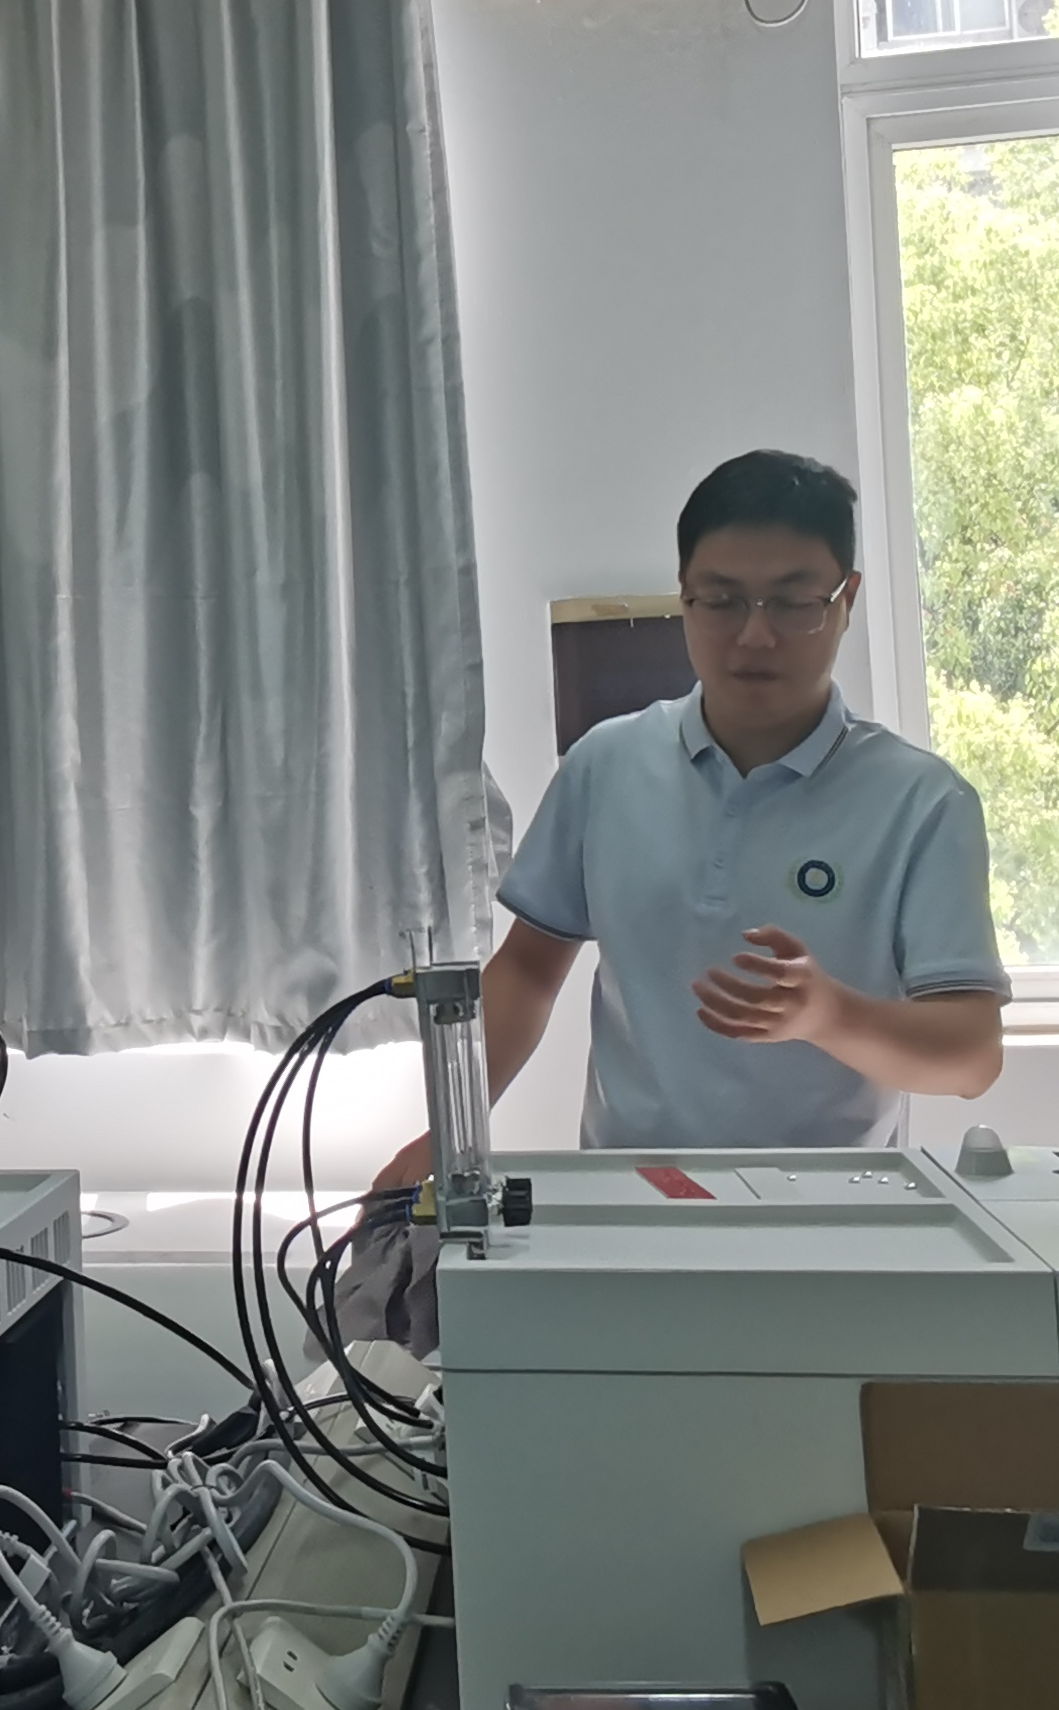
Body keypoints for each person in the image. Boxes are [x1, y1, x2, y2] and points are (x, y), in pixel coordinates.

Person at [381, 453, 1007, 1207]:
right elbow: (527, 973)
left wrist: (829, 1015)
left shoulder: (921, 801)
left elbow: (971, 1057)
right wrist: (447, 1135)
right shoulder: (605, 765)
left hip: (835, 1215)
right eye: (721, 601)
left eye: (793, 602)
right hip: (633, 1204)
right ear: (684, 597)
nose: (755, 635)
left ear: (848, 600)